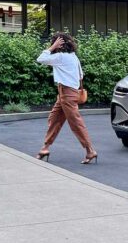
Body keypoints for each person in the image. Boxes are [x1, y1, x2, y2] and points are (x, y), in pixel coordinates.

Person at [35, 33, 98, 165]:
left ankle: (90, 150)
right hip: (67, 93)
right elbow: (81, 75)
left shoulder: (61, 57)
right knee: (54, 119)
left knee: (76, 123)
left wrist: (52, 47)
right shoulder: (73, 57)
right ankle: (45, 148)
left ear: (60, 44)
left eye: (55, 43)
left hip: (67, 94)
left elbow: (41, 59)